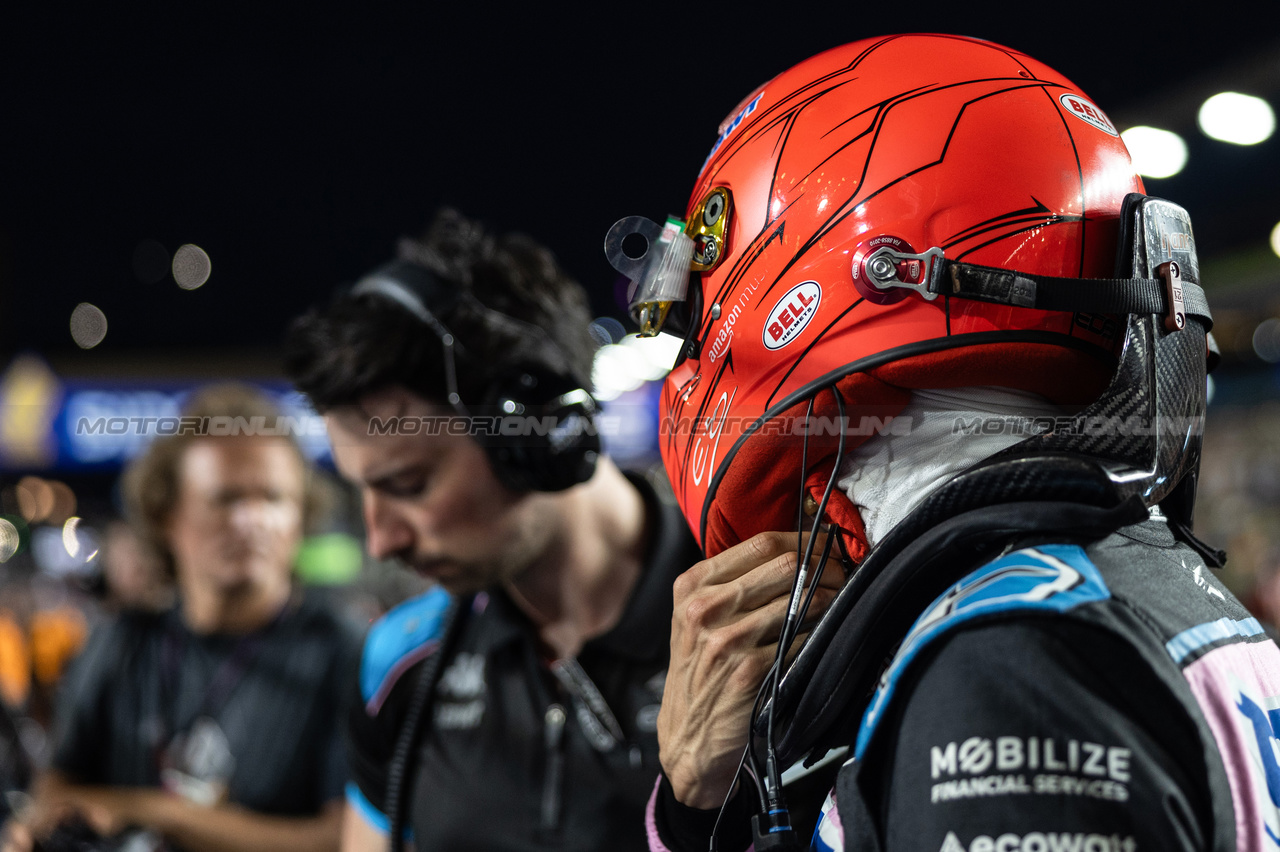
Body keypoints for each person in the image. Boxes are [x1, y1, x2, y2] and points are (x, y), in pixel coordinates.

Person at [604, 34, 1280, 852]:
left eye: (701, 294)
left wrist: (685, 819)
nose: (698, 343)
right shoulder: (1118, 577)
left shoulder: (1005, 659)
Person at [284, 208, 701, 851]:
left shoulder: (757, 622)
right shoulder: (400, 658)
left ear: (539, 432)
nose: (381, 541)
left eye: (408, 486)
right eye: (360, 491)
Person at [2, 383, 362, 852]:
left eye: (273, 498)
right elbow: (52, 796)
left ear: (301, 515)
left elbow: (342, 839)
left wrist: (158, 813)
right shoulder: (122, 640)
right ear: (167, 514)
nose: (250, 520)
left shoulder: (341, 648)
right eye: (225, 498)